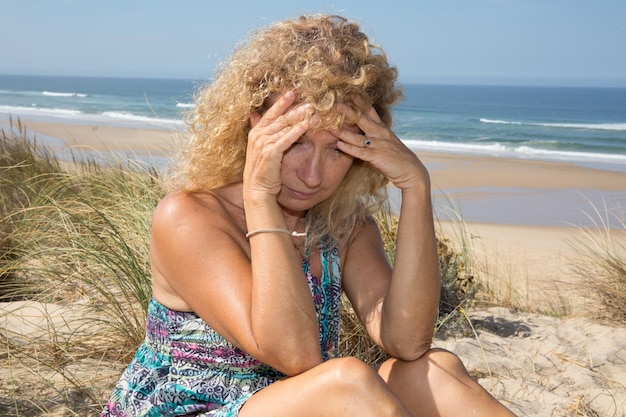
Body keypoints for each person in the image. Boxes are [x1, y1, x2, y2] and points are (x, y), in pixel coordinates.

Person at [101, 14, 516, 417]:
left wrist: (416, 185)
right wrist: (260, 193)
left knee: (433, 371)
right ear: (256, 129)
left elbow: (406, 341)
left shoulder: (344, 227)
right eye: (297, 142)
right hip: (185, 410)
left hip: (305, 406)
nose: (313, 174)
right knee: (347, 383)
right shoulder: (189, 217)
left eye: (337, 149)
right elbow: (294, 355)